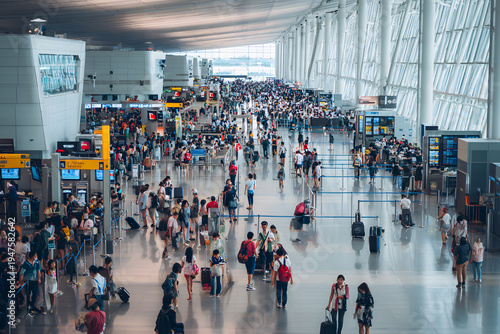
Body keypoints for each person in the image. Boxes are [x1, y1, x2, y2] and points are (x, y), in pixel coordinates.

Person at [19, 250, 44, 316]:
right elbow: (22, 273)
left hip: (35, 281)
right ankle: (29, 307)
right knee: (28, 294)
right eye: (35, 255)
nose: (36, 257)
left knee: (35, 294)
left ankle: (32, 306)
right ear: (33, 256)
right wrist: (21, 281)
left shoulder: (37, 262)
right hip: (28, 282)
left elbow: (39, 271)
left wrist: (39, 279)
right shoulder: (26, 263)